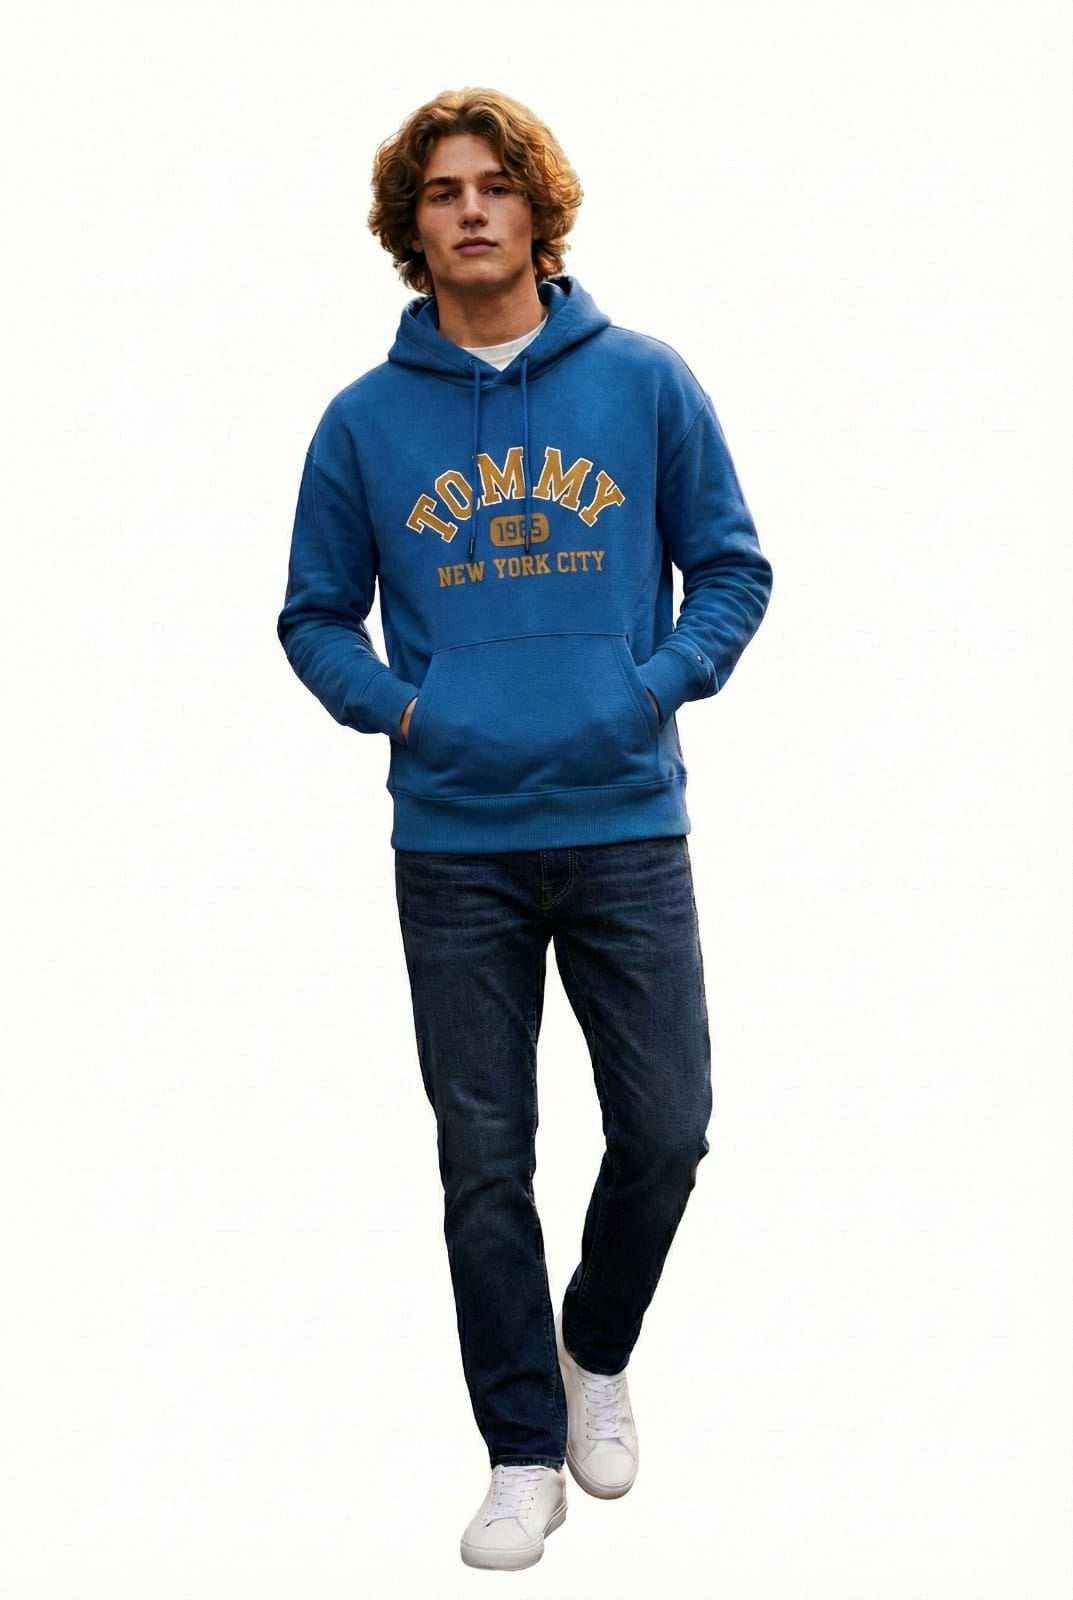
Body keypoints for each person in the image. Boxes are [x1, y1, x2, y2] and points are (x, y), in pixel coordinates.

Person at [277, 86, 772, 1571]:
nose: (472, 209)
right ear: (410, 224)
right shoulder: (363, 423)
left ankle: (593, 1347)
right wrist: (408, 712)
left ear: (537, 208)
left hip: (624, 823)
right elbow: (314, 616)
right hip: (454, 844)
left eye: (495, 184)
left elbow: (732, 569)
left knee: (667, 1131)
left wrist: (651, 688)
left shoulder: (645, 382)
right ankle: (519, 1450)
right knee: (484, 1162)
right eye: (442, 191)